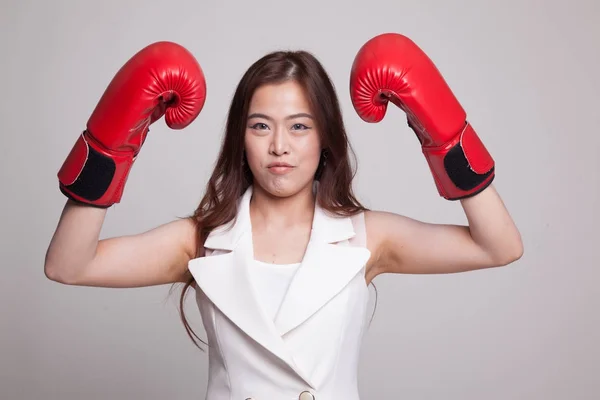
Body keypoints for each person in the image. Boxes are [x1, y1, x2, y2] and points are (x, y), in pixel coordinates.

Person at [44, 33, 523, 400]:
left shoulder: (366, 236)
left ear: (324, 138)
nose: (279, 146)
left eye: (299, 126)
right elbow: (68, 265)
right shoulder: (202, 239)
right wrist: (108, 149)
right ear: (241, 138)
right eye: (260, 126)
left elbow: (498, 245)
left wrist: (445, 138)